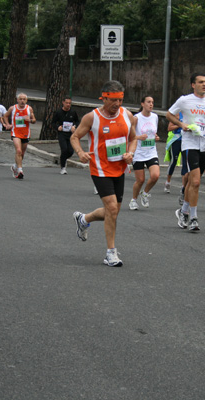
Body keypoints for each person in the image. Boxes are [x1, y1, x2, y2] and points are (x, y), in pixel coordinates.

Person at [71, 80, 137, 267]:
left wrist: (130, 153)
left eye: (120, 100)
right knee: (112, 209)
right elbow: (75, 137)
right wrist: (81, 153)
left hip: (119, 168)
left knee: (112, 212)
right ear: (104, 97)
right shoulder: (92, 117)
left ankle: (84, 219)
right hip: (100, 169)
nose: (117, 105)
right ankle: (111, 253)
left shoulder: (127, 115)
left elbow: (133, 139)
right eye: (113, 100)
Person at [166, 72, 205, 231]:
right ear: (193, 85)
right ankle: (193, 218)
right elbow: (169, 114)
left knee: (193, 181)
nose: (204, 84)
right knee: (196, 181)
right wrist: (181, 124)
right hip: (189, 143)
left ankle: (183, 211)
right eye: (200, 82)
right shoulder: (185, 100)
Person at [129, 96, 160, 210]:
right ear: (142, 104)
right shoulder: (136, 118)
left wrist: (155, 137)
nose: (151, 104)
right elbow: (129, 136)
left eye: (152, 102)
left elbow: (153, 132)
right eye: (148, 102)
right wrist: (138, 137)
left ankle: (145, 193)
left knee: (155, 176)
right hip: (138, 152)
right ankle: (133, 200)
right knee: (140, 180)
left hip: (151, 151)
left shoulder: (155, 117)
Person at [5, 93, 36, 179]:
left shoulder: (29, 109)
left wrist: (29, 120)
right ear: (17, 100)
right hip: (15, 133)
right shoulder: (13, 108)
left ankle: (15, 166)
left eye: (24, 99)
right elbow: (5, 116)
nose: (22, 101)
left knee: (22, 153)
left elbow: (34, 120)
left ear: (26, 100)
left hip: (26, 133)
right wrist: (8, 124)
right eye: (20, 99)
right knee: (18, 151)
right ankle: (20, 170)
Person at [53, 97, 79, 175]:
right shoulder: (58, 112)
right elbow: (53, 122)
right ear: (63, 103)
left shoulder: (73, 112)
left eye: (69, 103)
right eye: (67, 103)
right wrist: (58, 127)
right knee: (64, 149)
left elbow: (77, 121)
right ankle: (63, 167)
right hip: (62, 134)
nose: (68, 105)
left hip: (71, 134)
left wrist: (74, 126)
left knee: (71, 151)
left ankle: (63, 159)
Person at [162, 112, 183, 193]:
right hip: (176, 140)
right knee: (173, 161)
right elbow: (169, 128)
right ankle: (168, 181)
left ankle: (184, 185)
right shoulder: (177, 114)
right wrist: (180, 125)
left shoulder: (190, 114)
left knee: (186, 163)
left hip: (187, 141)